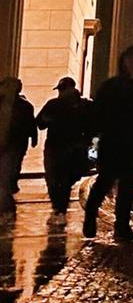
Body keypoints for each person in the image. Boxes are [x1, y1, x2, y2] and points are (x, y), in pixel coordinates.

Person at [84, 44, 133, 242]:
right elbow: (98, 113)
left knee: (128, 186)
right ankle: (90, 216)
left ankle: (122, 226)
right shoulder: (111, 86)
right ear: (124, 62)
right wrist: (95, 136)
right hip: (113, 140)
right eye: (130, 58)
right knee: (104, 182)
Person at [37, 77, 92, 213]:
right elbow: (94, 126)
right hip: (75, 147)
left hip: (55, 147)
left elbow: (40, 123)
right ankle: (60, 205)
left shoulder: (54, 104)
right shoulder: (84, 105)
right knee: (66, 177)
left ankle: (58, 206)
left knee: (54, 176)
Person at [0, 78, 37, 219]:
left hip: (13, 146)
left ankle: (7, 209)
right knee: (4, 178)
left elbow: (30, 124)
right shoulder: (23, 106)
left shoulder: (24, 106)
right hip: (12, 145)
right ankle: (7, 207)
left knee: (4, 178)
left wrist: (33, 138)